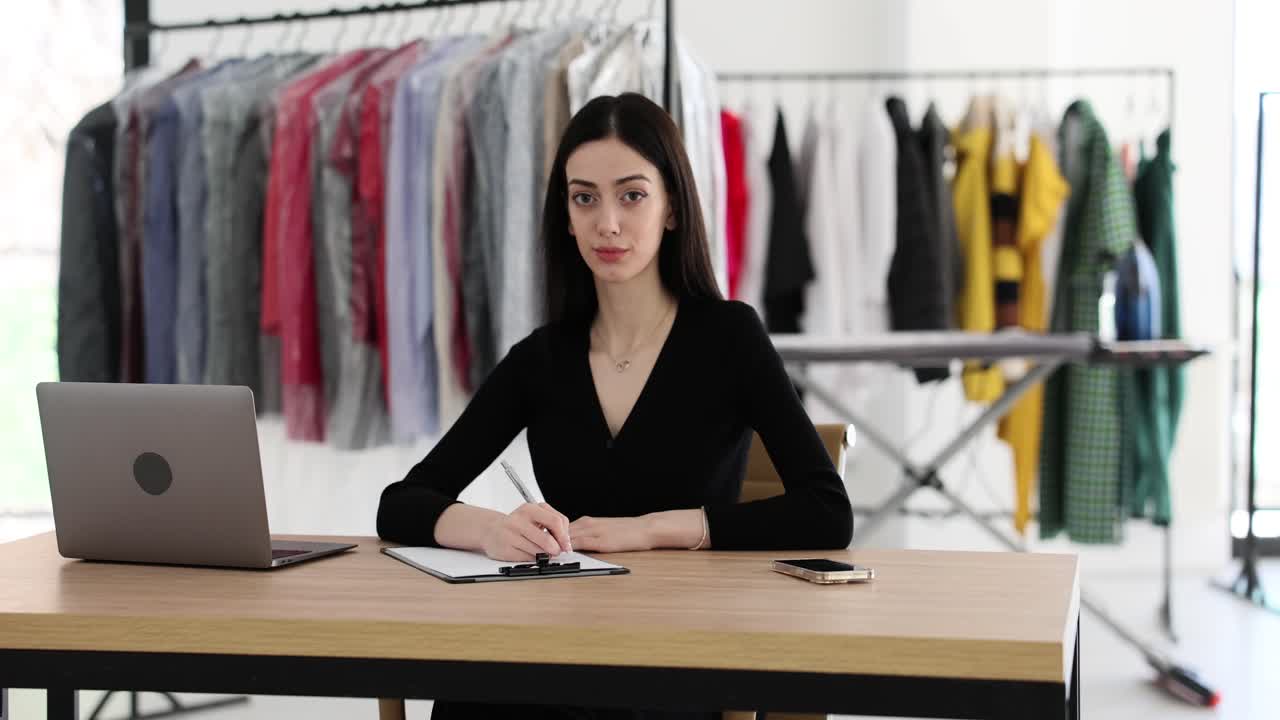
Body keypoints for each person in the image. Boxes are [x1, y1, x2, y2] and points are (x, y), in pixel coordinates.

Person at [376, 92, 853, 720]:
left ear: (672, 207)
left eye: (632, 195)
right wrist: (494, 530)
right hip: (557, 639)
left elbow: (826, 512)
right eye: (584, 198)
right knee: (468, 693)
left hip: (681, 652)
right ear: (565, 218)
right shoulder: (541, 357)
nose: (608, 223)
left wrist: (654, 529)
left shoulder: (730, 337)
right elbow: (402, 504)